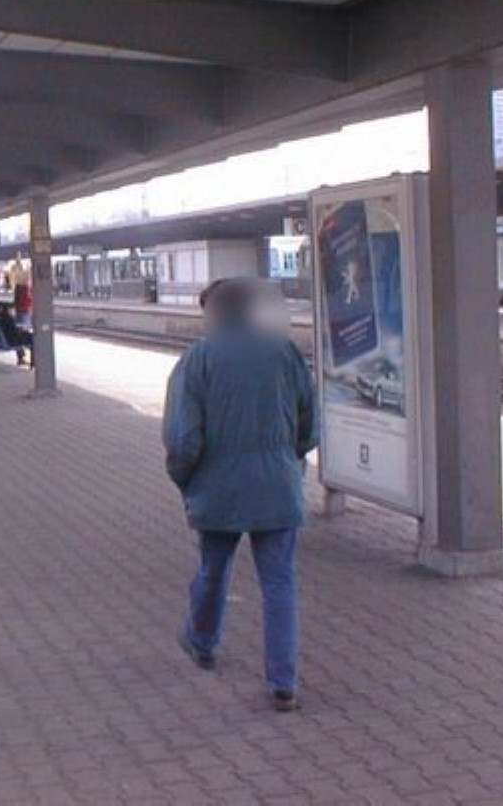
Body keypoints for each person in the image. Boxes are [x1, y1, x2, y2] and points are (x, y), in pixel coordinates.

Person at [162, 277, 317, 713]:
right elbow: (310, 423)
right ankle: (283, 683)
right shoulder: (285, 353)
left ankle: (202, 642)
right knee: (279, 583)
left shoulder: (197, 360)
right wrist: (290, 461)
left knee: (213, 570)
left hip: (218, 490)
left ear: (212, 314)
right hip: (278, 489)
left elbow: (182, 439)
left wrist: (185, 480)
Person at [0, 301, 33, 366]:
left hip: (8, 339)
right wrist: (22, 331)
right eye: (12, 309)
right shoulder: (8, 318)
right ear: (8, 309)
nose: (13, 311)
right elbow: (14, 331)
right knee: (33, 338)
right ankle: (33, 362)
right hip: (12, 341)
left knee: (28, 335)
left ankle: (22, 358)